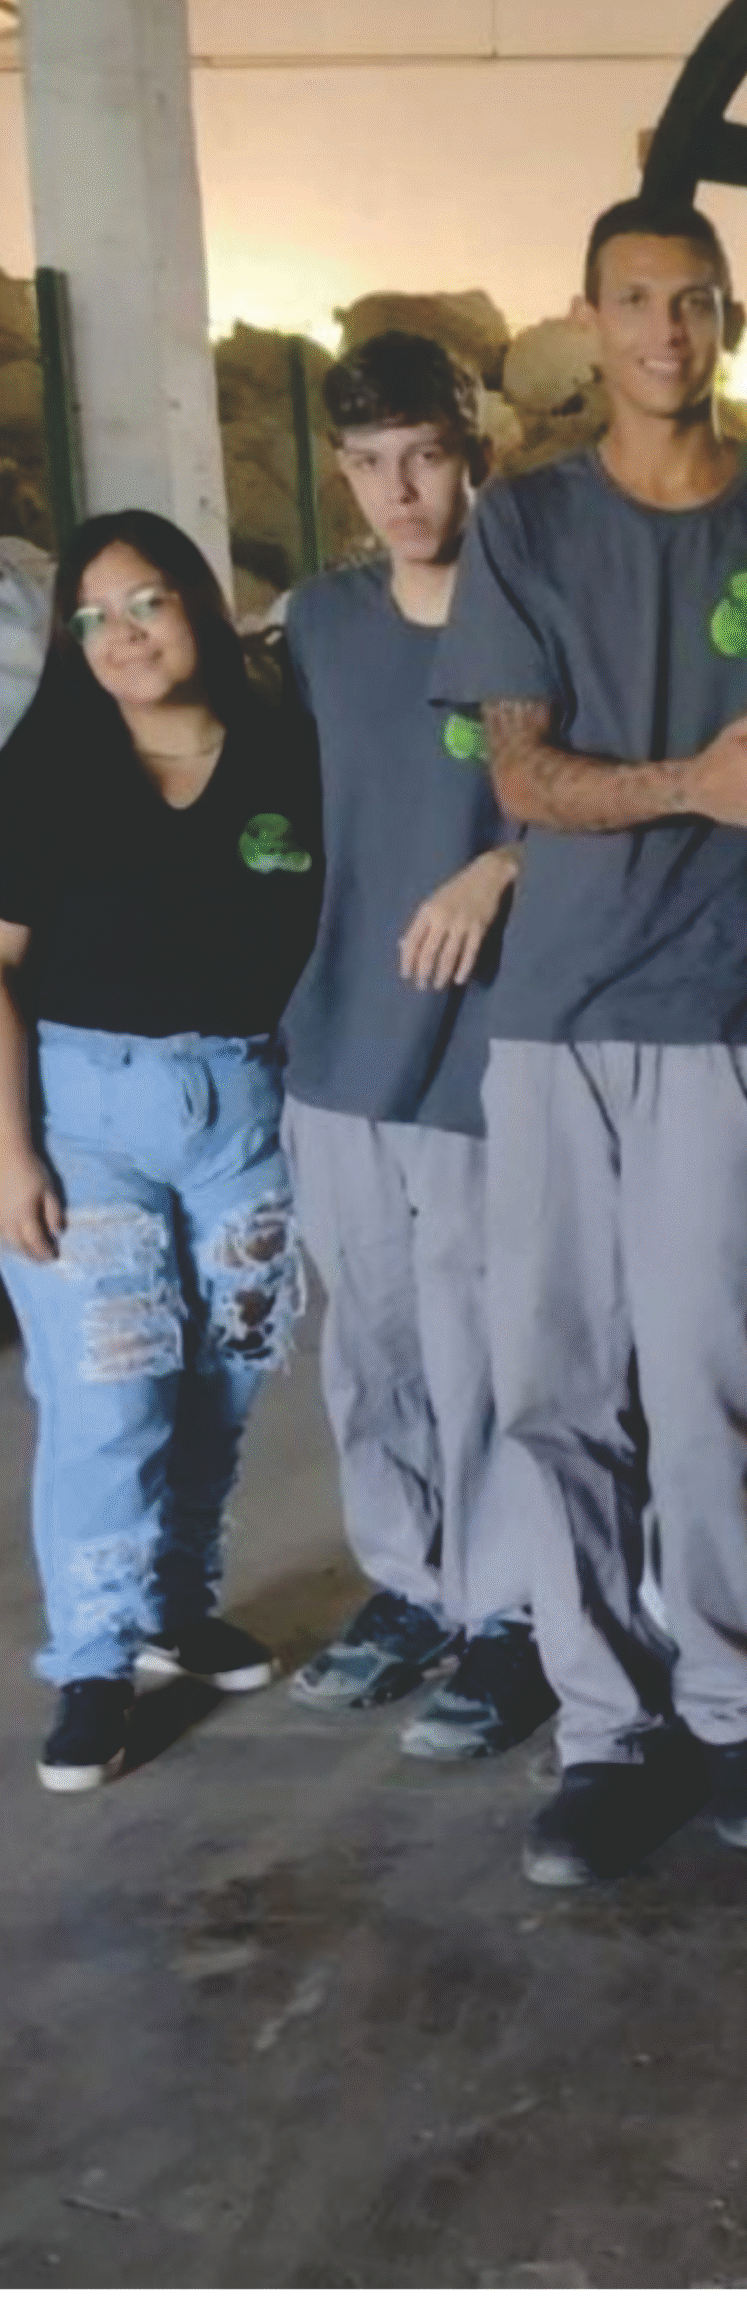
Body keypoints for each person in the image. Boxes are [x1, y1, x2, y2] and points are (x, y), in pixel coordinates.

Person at [433, 197, 747, 1886]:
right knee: (557, 1388)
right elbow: (520, 779)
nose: (665, 332)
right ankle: (605, 1730)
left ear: (731, 322)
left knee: (710, 1387)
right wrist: (689, 782)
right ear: (592, 321)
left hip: (716, 1020)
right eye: (634, 303)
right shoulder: (527, 528)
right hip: (552, 1022)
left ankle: (734, 1711)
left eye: (693, 303)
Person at [0, 511, 322, 1790]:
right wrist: (10, 1154)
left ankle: (177, 1608)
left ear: (198, 603)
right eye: (94, 618)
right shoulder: (47, 769)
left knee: (228, 1371)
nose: (123, 637)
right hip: (87, 1114)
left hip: (244, 1102)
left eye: (146, 604)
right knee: (108, 1389)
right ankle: (91, 1658)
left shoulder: (289, 755)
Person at [281, 331, 553, 1761]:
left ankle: (503, 1616)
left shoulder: (537, 616)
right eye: (372, 466)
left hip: (482, 1053)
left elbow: (591, 796)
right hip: (338, 1041)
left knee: (482, 1345)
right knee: (372, 1346)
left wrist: (498, 870)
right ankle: (406, 1585)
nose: (401, 492)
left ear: (475, 454)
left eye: (425, 458)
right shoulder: (318, 629)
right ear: (343, 477)